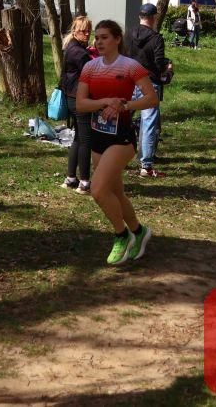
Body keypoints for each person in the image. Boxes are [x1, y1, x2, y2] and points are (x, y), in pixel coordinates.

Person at [76, 20, 158, 265]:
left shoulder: (130, 66)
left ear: (117, 39)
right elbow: (81, 104)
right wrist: (106, 102)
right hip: (98, 137)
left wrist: (126, 105)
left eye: (105, 37)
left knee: (98, 190)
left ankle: (122, 236)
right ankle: (139, 232)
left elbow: (152, 98)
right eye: (97, 37)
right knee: (116, 194)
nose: (99, 41)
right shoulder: (90, 67)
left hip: (121, 139)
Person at [125, 3, 173, 178]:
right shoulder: (156, 38)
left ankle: (113, 155)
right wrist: (167, 68)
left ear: (140, 16)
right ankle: (146, 166)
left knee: (122, 119)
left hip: (129, 81)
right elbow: (159, 63)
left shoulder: (128, 34)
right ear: (153, 18)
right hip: (148, 83)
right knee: (149, 123)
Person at [60, 16, 94, 194]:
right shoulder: (79, 53)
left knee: (78, 138)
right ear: (75, 31)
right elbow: (93, 72)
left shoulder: (72, 47)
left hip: (72, 97)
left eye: (89, 30)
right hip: (79, 98)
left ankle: (71, 179)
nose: (86, 34)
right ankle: (85, 182)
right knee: (86, 140)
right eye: (83, 31)